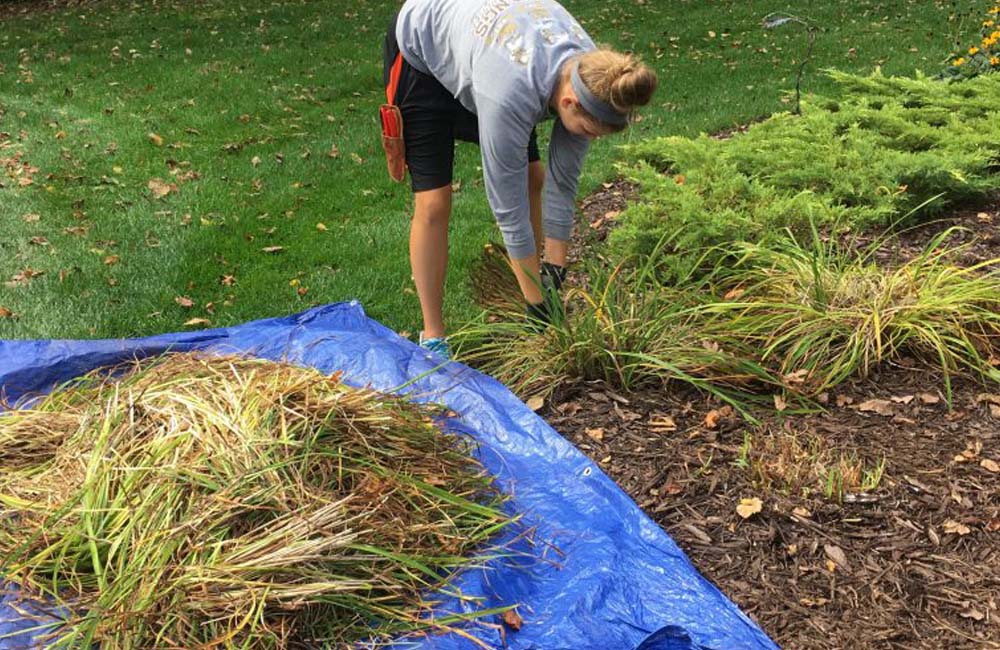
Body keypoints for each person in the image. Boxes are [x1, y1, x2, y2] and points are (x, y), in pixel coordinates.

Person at [382, 0, 657, 359]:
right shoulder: (510, 92)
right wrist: (539, 309)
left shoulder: (595, 74)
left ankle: (528, 292)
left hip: (494, 55)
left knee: (535, 177)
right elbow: (507, 208)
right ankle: (433, 335)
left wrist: (555, 268)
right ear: (570, 102)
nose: (591, 139)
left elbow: (563, 180)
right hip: (421, 56)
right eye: (589, 131)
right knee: (435, 201)